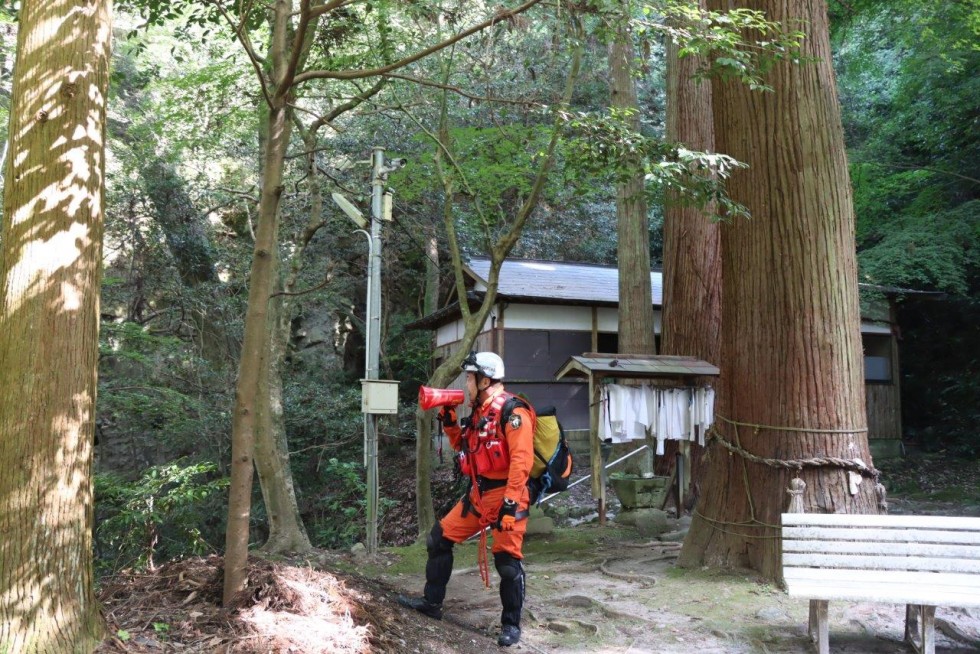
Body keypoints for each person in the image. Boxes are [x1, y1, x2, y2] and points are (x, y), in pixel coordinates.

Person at [398, 351, 535, 647]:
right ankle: (431, 603)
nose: (467, 384)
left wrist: (510, 506)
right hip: (478, 493)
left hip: (507, 496)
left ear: (486, 379)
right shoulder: (478, 411)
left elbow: (521, 463)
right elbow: (465, 447)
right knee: (438, 539)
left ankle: (511, 625)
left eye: (470, 378)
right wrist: (449, 422)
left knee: (507, 562)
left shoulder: (514, 412)